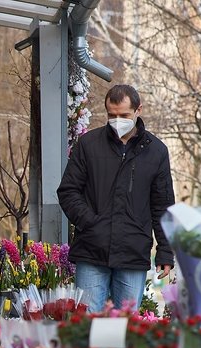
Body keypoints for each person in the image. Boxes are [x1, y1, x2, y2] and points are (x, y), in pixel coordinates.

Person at [57, 84, 175, 310]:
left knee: (125, 330)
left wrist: (165, 251)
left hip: (133, 251)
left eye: (124, 115)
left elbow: (163, 205)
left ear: (138, 110)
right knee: (89, 326)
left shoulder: (157, 152)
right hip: (92, 250)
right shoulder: (89, 145)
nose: (117, 120)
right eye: (112, 115)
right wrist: (90, 222)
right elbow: (68, 191)